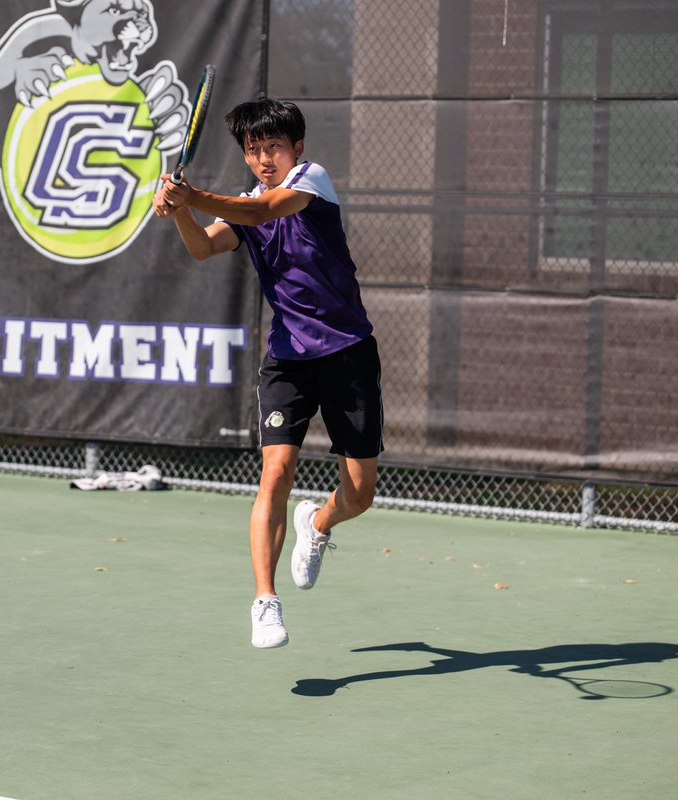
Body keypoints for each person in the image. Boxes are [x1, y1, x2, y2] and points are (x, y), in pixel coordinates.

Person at [153, 98, 383, 649]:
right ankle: (265, 601)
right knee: (275, 471)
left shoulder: (311, 181)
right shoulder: (243, 203)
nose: (263, 159)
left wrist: (192, 195)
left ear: (296, 148)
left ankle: (319, 525)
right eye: (253, 150)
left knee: (360, 494)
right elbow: (202, 248)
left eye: (272, 147)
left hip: (349, 353)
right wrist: (181, 210)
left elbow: (260, 213)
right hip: (287, 359)